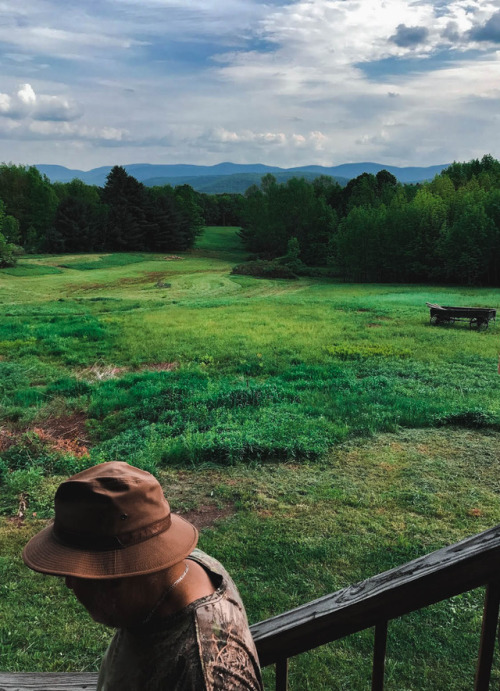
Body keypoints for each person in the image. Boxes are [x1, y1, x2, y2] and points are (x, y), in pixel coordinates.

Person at [23, 461, 263, 690]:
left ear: (118, 575)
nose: (68, 583)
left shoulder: (203, 674)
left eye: (78, 572)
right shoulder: (175, 574)